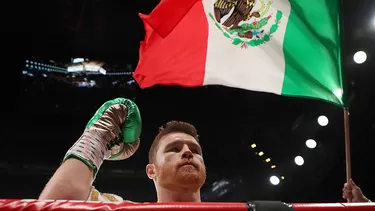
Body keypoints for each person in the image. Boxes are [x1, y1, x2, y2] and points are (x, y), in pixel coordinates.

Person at [39, 97, 206, 202]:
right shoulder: (118, 208)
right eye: (174, 149)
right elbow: (57, 204)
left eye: (196, 150)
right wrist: (97, 138)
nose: (188, 152)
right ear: (151, 171)